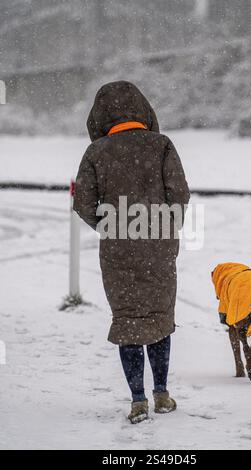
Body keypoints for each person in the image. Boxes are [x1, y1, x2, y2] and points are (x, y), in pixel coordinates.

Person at [74, 81, 190, 424]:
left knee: (128, 320)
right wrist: (165, 228)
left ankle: (137, 400)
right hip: (159, 246)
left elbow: (83, 203)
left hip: (118, 250)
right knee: (159, 318)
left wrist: (110, 226)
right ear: (144, 110)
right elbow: (179, 194)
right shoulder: (162, 145)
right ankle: (162, 394)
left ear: (100, 117)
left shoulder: (96, 153)